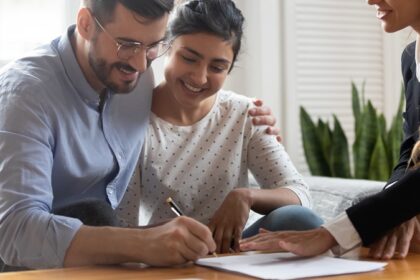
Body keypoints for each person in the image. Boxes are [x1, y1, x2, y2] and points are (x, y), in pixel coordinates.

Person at [0, 0, 278, 270]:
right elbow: (14, 231)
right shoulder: (26, 94)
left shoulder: (134, 76)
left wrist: (250, 114)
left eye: (154, 45)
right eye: (128, 44)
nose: (142, 65)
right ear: (85, 24)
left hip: (105, 244)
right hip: (21, 259)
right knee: (94, 213)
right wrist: (140, 242)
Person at [116, 0, 323, 254]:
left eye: (217, 67)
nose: (199, 77)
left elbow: (299, 195)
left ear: (230, 68)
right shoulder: (133, 122)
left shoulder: (246, 115)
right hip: (164, 253)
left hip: (233, 252)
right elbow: (121, 225)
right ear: (166, 48)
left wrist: (246, 196)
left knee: (301, 221)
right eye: (189, 58)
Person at [240, 0, 420, 260]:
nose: (370, 1)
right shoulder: (411, 58)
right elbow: (408, 154)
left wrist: (329, 234)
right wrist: (399, 211)